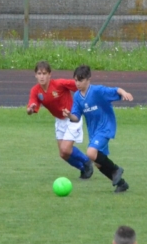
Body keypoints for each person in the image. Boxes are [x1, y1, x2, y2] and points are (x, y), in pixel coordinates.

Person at [62, 65, 133, 193]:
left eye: (80, 80)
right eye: (76, 80)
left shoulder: (98, 91)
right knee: (98, 162)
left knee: (90, 153)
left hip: (106, 127)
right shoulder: (77, 96)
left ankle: (116, 169)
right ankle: (121, 184)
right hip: (94, 132)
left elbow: (116, 90)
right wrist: (69, 115)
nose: (77, 83)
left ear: (88, 79)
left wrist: (124, 93)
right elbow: (76, 117)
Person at [27, 60, 94, 179]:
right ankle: (83, 168)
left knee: (65, 148)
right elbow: (32, 104)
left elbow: (80, 85)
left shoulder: (59, 84)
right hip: (59, 120)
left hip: (72, 117)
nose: (42, 76)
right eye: (39, 73)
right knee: (63, 154)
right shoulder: (35, 91)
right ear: (35, 75)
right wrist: (30, 109)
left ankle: (87, 161)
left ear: (49, 74)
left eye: (44, 73)